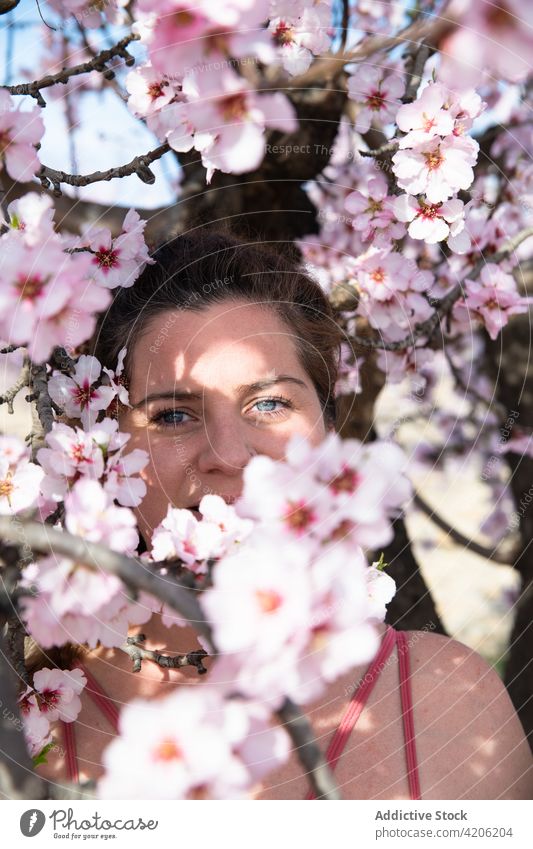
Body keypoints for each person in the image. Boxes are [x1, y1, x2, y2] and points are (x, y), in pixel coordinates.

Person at [33, 229, 533, 800]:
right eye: (171, 415)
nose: (228, 455)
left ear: (328, 430)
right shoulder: (31, 712)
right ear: (97, 447)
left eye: (270, 403)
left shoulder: (447, 698)